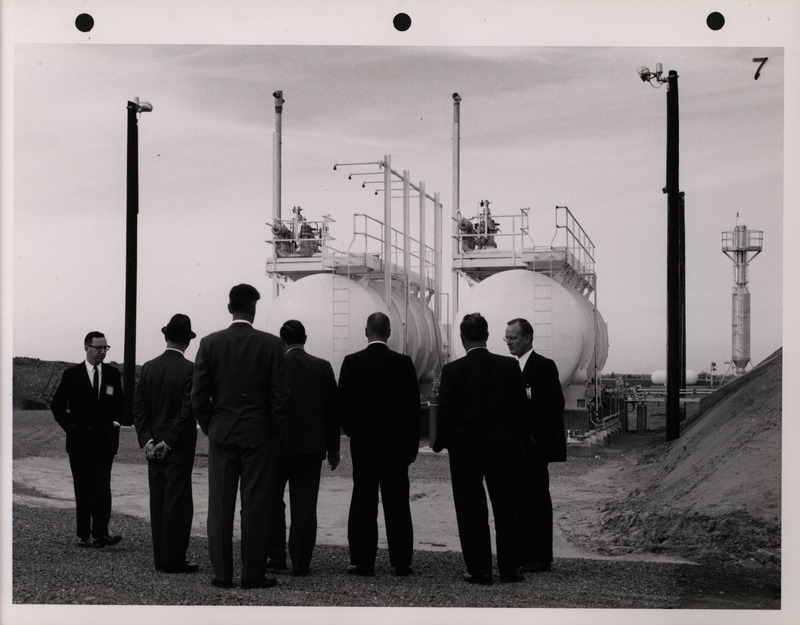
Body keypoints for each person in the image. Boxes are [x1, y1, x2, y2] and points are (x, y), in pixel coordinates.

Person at [191, 284, 289, 589]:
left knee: (219, 506)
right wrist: (269, 428)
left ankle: (222, 574)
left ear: (229, 307)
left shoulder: (209, 343)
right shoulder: (271, 345)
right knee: (255, 505)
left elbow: (198, 396)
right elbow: (280, 397)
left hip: (222, 432)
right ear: (254, 308)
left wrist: (212, 425)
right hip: (258, 436)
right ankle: (252, 574)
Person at [432, 313, 527, 585]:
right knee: (507, 510)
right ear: (487, 336)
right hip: (503, 449)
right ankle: (510, 569)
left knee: (471, 511)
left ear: (462, 339)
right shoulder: (510, 367)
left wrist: (440, 444)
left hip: (466, 451)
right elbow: (521, 410)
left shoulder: (453, 370)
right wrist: (516, 439)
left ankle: (479, 569)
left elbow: (445, 414)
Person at [337, 312, 420, 577]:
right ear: (389, 332)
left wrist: (355, 433)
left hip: (364, 445)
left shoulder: (352, 363)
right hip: (396, 447)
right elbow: (412, 410)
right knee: (397, 503)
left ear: (366, 331)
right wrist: (411, 447)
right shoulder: (404, 363)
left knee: (363, 500)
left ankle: (362, 561)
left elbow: (344, 408)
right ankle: (401, 561)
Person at [267, 320, 340, 577]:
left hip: (277, 448)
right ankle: (301, 562)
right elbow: (332, 411)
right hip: (311, 449)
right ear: (305, 338)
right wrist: (334, 448)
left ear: (281, 340)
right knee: (306, 506)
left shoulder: (275, 366)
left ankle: (276, 556)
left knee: (273, 502)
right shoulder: (322, 367)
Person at [132, 314, 199, 574]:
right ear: (187, 341)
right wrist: (168, 443)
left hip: (153, 447)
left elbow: (140, 408)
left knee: (158, 502)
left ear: (165, 336)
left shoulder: (149, 367)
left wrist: (148, 440)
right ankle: (174, 559)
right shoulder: (190, 369)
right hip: (177, 448)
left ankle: (161, 557)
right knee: (178, 504)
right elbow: (186, 412)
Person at [51, 331, 126, 548]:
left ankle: (100, 534)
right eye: (98, 348)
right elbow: (57, 405)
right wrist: (71, 428)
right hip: (80, 442)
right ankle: (84, 534)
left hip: (104, 441)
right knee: (82, 487)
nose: (103, 352)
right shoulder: (72, 374)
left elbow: (120, 404)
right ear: (86, 348)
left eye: (105, 348)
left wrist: (116, 424)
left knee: (102, 487)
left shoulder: (112, 374)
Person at [504, 317, 566, 573]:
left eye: (513, 337)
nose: (509, 342)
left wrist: (533, 436)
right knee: (518, 501)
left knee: (537, 502)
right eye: (506, 338)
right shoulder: (508, 368)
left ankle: (541, 557)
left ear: (528, 338)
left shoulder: (543, 367)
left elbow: (554, 405)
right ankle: (521, 554)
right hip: (514, 448)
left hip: (534, 449)